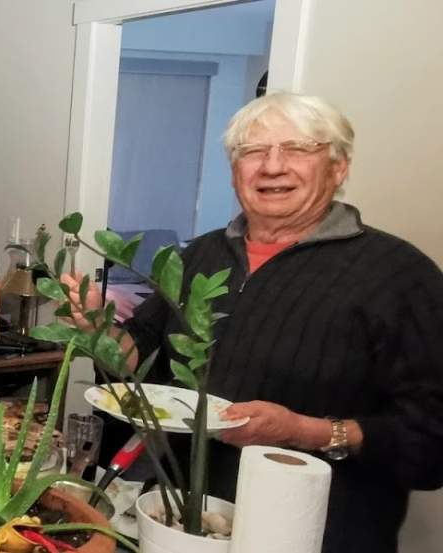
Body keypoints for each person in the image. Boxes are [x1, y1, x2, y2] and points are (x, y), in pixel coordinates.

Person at [60, 93, 443, 552]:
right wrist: (99, 331)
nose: (272, 166)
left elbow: (432, 438)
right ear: (235, 169)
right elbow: (138, 361)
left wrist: (304, 431)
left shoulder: (398, 276)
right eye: (253, 151)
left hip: (319, 534)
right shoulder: (198, 254)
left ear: (338, 167)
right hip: (180, 521)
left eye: (297, 149)